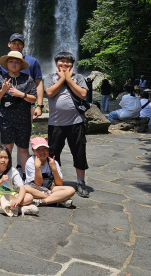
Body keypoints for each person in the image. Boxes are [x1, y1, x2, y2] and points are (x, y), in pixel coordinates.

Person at [43, 51, 90, 198]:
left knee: (79, 152)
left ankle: (81, 182)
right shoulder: (50, 77)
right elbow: (50, 93)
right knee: (53, 154)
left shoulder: (79, 77)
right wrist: (62, 79)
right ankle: (55, 181)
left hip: (76, 122)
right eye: (61, 62)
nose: (65, 65)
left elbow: (83, 94)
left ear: (72, 64)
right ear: (56, 63)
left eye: (68, 62)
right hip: (55, 123)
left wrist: (69, 80)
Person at [0, 32, 44, 120]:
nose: (17, 45)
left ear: (24, 45)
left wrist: (39, 105)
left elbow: (39, 83)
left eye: (19, 43)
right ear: (9, 44)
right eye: (14, 43)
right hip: (7, 107)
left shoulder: (33, 61)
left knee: (25, 131)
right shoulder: (3, 63)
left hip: (27, 105)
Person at [0, 51, 37, 171]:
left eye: (17, 62)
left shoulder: (27, 79)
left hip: (23, 119)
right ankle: (6, 176)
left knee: (23, 148)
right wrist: (3, 90)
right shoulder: (1, 79)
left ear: (21, 65)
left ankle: (26, 177)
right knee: (6, 148)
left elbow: (34, 98)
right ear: (7, 63)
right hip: (6, 119)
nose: (14, 64)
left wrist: (21, 94)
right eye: (11, 62)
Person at [0, 145, 38, 216]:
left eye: (6, 157)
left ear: (9, 159)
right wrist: (1, 181)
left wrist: (17, 201)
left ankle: (3, 207)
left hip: (11, 194)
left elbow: (22, 188)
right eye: (0, 157)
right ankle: (19, 209)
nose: (3, 160)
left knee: (29, 197)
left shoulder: (13, 171)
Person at [24, 137, 76, 207]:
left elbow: (59, 183)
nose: (42, 151)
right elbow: (38, 183)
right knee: (25, 189)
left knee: (71, 190)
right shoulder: (30, 162)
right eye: (38, 149)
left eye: (44, 148)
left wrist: (54, 169)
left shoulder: (52, 162)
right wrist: (37, 167)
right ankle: (57, 199)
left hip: (49, 188)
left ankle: (42, 201)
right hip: (35, 189)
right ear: (33, 150)